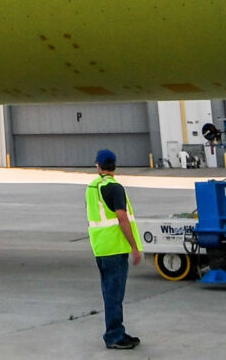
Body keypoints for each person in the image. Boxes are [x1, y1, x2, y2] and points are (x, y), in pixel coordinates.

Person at [85, 149, 143, 351]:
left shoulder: (92, 187)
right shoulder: (115, 188)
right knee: (114, 294)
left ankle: (117, 330)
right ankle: (114, 336)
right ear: (114, 165)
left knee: (110, 293)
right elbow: (122, 218)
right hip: (115, 248)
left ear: (98, 166)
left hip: (101, 248)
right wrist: (134, 246)